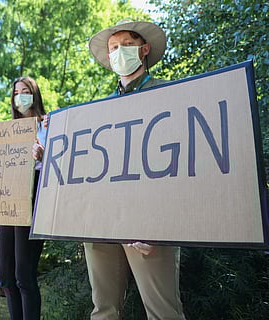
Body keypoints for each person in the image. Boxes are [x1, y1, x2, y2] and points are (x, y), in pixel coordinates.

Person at [71, 19, 185, 319]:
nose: (118, 51)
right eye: (113, 48)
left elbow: (183, 166)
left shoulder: (173, 95)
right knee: (103, 310)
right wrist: (51, 148)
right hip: (101, 224)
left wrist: (161, 224)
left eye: (126, 45)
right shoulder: (97, 110)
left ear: (144, 49)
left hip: (150, 225)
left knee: (163, 312)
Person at [0, 76, 47, 320]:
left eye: (25, 90)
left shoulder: (48, 126)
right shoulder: (7, 132)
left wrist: (43, 156)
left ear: (34, 94)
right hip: (9, 199)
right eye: (16, 92)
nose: (20, 96)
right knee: (6, 275)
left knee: (24, 275)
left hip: (34, 197)